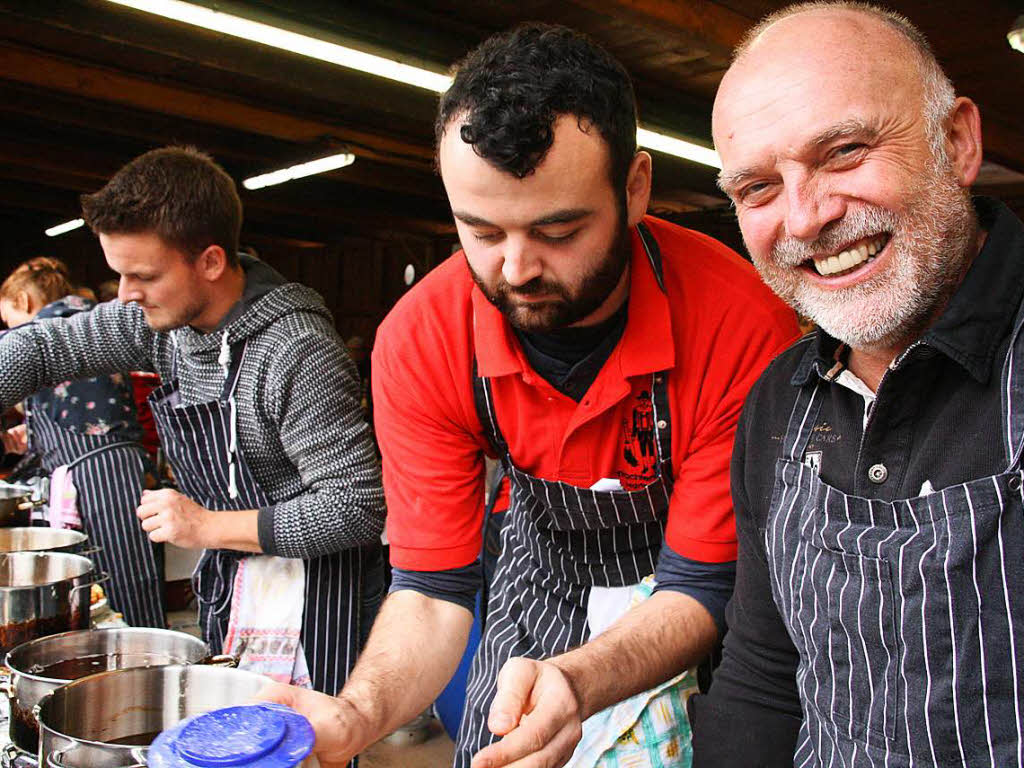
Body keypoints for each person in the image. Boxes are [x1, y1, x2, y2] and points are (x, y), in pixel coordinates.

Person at [262, 23, 800, 768]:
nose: (516, 269)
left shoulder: (741, 322)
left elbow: (701, 581)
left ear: (635, 187)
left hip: (703, 599)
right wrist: (358, 714)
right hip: (542, 573)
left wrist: (577, 682)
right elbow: (432, 589)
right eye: (480, 231)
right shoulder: (422, 337)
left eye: (558, 229)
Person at [690, 3, 1022, 766]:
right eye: (758, 188)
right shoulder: (779, 400)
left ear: (957, 142)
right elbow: (764, 676)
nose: (806, 219)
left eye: (843, 151)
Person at [0, 148, 386, 709]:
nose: (126, 293)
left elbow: (354, 509)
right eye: (120, 274)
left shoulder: (296, 351)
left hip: (321, 602)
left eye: (144, 275)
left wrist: (206, 527)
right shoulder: (166, 324)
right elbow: (47, 347)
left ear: (209, 261)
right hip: (238, 587)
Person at [0, 257, 165, 627]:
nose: (9, 329)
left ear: (25, 302)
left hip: (97, 475)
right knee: (132, 572)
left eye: (7, 318)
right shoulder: (91, 323)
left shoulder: (42, 333)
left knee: (114, 576)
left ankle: (133, 659)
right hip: (125, 466)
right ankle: (145, 648)